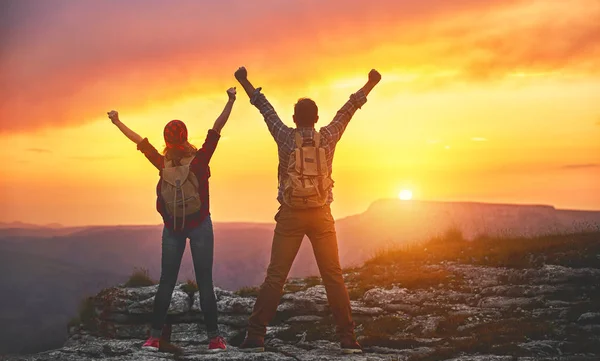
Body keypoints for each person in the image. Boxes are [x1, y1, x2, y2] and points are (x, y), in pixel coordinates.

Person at [234, 67, 381, 354]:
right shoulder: (327, 137)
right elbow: (348, 109)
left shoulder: (285, 137)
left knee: (276, 276)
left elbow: (265, 109)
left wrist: (243, 80)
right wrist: (370, 83)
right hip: (321, 214)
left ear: (294, 119)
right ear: (315, 119)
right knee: (333, 275)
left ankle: (255, 335)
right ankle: (348, 337)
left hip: (290, 214)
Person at [107, 87, 237, 353]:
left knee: (166, 281)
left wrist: (117, 120)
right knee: (205, 283)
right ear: (185, 136)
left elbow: (140, 141)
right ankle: (214, 339)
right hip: (200, 224)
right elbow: (216, 128)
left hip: (172, 229)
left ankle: (154, 338)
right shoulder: (199, 160)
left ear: (166, 139)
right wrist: (230, 100)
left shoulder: (162, 162)